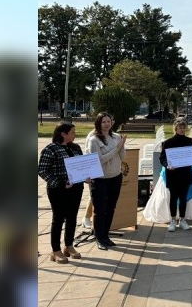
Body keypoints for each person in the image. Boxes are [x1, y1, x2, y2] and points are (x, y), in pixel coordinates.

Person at [38, 122, 86, 263]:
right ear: (63, 134)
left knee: (72, 217)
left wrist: (86, 176)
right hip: (58, 190)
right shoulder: (51, 149)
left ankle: (69, 246)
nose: (75, 135)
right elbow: (42, 170)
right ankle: (56, 250)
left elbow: (81, 166)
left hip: (76, 188)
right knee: (58, 218)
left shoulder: (76, 147)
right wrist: (60, 183)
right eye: (72, 132)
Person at [87, 112, 127, 250]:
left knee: (111, 208)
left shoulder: (116, 137)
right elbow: (99, 159)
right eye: (103, 122)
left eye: (108, 121)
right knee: (100, 209)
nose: (106, 124)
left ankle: (106, 235)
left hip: (115, 176)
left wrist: (122, 146)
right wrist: (117, 148)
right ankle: (99, 237)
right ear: (99, 123)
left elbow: (122, 157)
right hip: (100, 179)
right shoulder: (94, 140)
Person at [159, 119, 192, 232]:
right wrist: (167, 165)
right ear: (175, 129)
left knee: (183, 198)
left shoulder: (190, 141)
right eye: (179, 127)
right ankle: (172, 220)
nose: (182, 129)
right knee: (173, 198)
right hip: (173, 174)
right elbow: (162, 158)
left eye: (183, 127)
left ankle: (182, 219)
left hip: (185, 174)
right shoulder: (168, 142)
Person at [81, 129, 95, 229]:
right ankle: (86, 217)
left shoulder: (111, 134)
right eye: (104, 122)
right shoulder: (93, 135)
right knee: (94, 194)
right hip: (93, 167)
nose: (108, 124)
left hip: (107, 169)